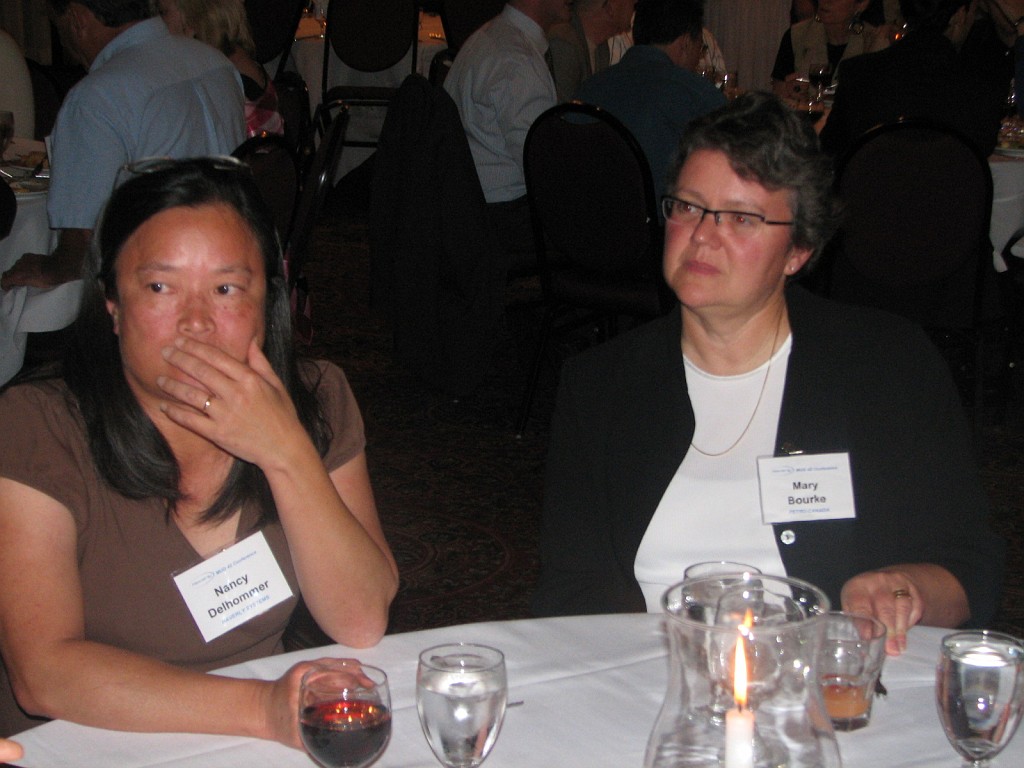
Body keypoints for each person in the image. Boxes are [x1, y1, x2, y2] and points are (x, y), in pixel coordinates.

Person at [531, 92, 1004, 656]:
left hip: (827, 680)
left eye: (741, 218)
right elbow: (568, 594)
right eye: (688, 207)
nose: (702, 235)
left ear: (798, 250)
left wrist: (905, 590)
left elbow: (969, 568)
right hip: (652, 679)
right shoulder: (601, 385)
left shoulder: (885, 365)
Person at [0, 159, 398, 738]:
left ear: (268, 304)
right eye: (160, 287)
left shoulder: (317, 400)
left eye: (226, 289)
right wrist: (260, 709)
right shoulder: (37, 426)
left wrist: (286, 452)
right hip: (83, 745)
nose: (196, 323)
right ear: (113, 305)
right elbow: (45, 674)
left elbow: (360, 620)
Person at [0, 0, 244, 292]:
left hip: (161, 285)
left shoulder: (97, 97)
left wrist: (44, 268)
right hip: (233, 261)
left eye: (59, 26)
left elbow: (82, 249)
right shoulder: (216, 63)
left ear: (77, 19)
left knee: (19, 294)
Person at [444, 0, 573, 272]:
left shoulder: (489, 36)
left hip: (464, 205)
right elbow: (542, 170)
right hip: (501, 217)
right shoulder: (518, 59)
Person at [578, 0, 725, 201]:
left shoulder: (587, 90)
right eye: (700, 49)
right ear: (685, 43)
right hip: (660, 217)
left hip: (584, 214)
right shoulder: (699, 97)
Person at [820, 0, 1003, 158]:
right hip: (948, 187)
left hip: (875, 185)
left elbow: (830, 148)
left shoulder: (859, 72)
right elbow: (983, 149)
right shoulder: (980, 83)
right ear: (959, 16)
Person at [158, 0, 285, 139]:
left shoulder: (220, 80)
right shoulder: (239, 58)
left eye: (164, 13)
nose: (158, 23)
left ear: (193, 20)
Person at [771, 0, 891, 98]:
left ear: (861, 4)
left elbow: (875, 100)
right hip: (804, 119)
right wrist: (790, 93)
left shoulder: (873, 41)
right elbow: (777, 99)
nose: (825, 1)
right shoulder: (797, 36)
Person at [547, 0, 635, 101]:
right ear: (610, 8)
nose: (635, 2)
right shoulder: (564, 45)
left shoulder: (602, 48)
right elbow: (562, 107)